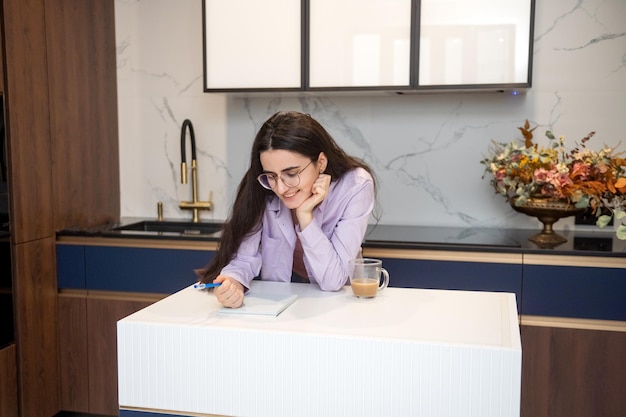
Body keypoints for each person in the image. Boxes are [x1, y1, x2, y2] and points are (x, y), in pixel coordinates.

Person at [199, 111, 377, 308]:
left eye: (291, 174)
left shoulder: (355, 186)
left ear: (321, 163)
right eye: (271, 176)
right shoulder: (264, 187)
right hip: (279, 300)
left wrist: (305, 215)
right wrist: (232, 284)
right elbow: (243, 260)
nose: (281, 189)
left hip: (334, 303)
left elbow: (333, 280)